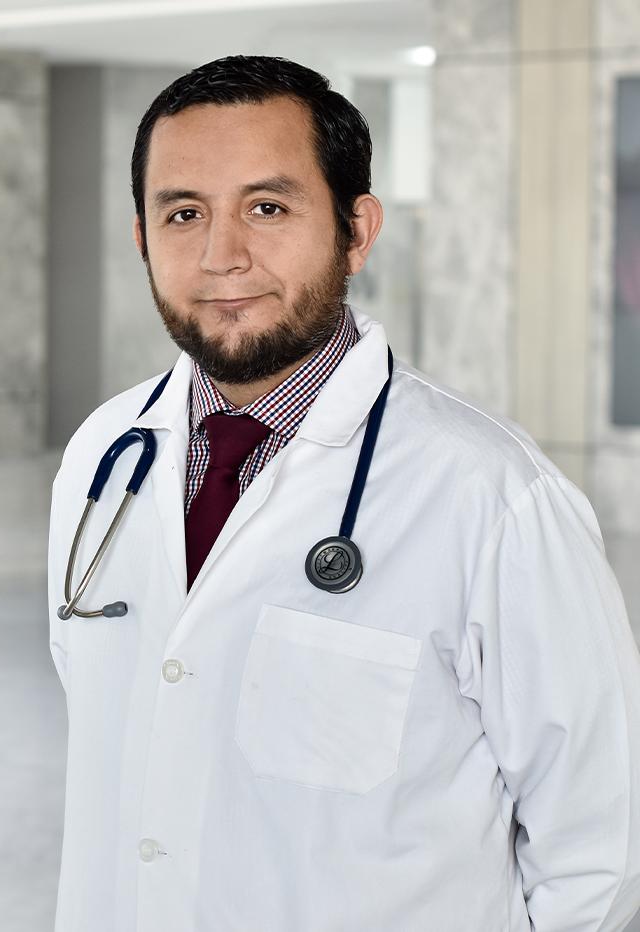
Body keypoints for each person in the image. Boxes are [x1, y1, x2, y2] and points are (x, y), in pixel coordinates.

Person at [48, 55, 640, 931]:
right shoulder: (106, 457)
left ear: (357, 230)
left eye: (268, 207)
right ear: (141, 236)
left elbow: (601, 853)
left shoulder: (494, 497)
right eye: (183, 214)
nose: (222, 256)